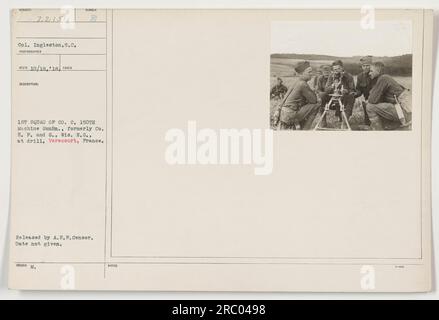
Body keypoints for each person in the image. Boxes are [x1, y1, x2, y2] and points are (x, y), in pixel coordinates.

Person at [273, 61, 320, 130]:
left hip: (283, 115)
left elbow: (284, 98)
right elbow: (314, 100)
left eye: (311, 72)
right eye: (309, 72)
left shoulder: (296, 82)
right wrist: (315, 92)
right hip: (290, 116)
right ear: (301, 73)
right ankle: (305, 130)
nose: (311, 74)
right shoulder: (303, 84)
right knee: (317, 105)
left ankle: (298, 126)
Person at [366, 61, 411, 130]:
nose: (369, 73)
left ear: (378, 71)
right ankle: (389, 125)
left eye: (371, 71)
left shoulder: (383, 78)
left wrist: (371, 93)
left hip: (405, 113)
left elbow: (372, 100)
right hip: (406, 111)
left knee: (370, 106)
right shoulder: (386, 78)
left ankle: (377, 130)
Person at [354, 55, 375, 125]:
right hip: (366, 100)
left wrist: (370, 99)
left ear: (371, 66)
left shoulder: (375, 75)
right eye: (363, 66)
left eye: (367, 65)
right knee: (365, 104)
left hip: (377, 98)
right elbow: (358, 90)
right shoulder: (360, 76)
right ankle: (368, 123)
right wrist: (353, 94)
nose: (365, 68)